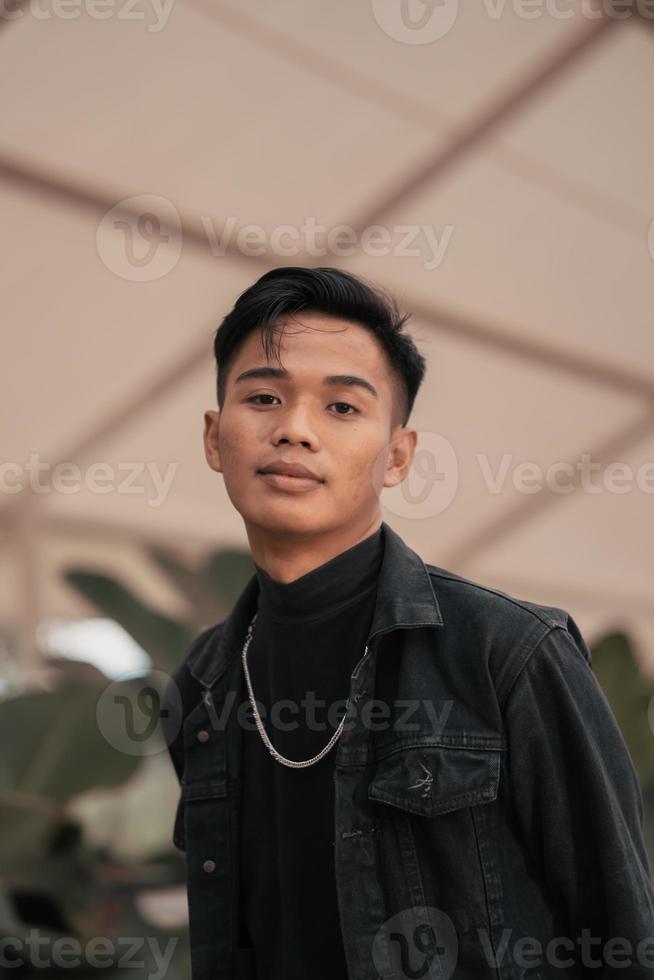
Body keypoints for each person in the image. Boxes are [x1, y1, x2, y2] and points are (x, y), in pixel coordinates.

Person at [161, 267, 654, 980]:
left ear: (397, 456)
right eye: (264, 397)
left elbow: (623, 939)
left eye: (342, 408)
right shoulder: (203, 686)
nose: (295, 430)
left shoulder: (509, 654)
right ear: (215, 437)